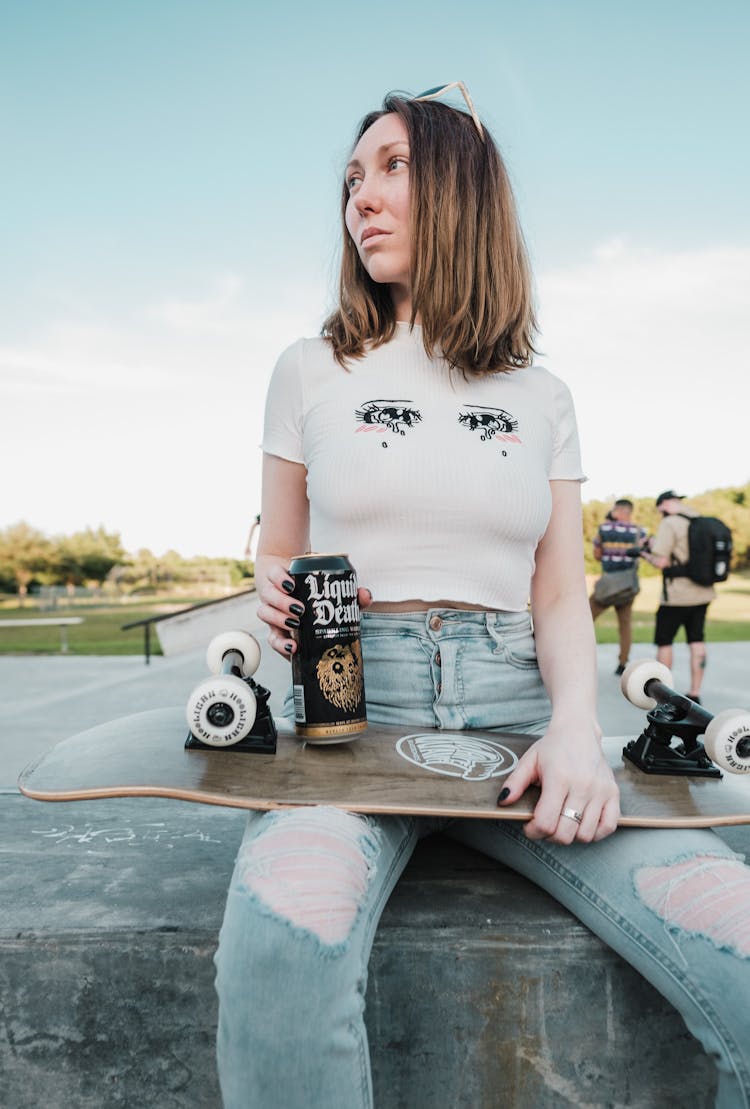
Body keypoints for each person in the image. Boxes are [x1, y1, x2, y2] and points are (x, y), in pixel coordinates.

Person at [214, 86, 750, 1108]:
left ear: (463, 189)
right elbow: (275, 555)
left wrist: (580, 729)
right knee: (281, 952)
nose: (359, 199)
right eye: (351, 179)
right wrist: (272, 596)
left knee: (736, 928)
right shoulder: (307, 368)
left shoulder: (542, 397)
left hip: (522, 711)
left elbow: (556, 588)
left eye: (390, 167)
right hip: (348, 716)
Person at [640, 489, 715, 703]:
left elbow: (662, 561)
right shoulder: (698, 518)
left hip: (676, 595)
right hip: (703, 592)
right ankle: (695, 692)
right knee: (697, 640)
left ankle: (665, 696)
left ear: (663, 504)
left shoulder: (670, 523)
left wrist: (645, 555)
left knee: (665, 642)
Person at [589, 498, 648, 675]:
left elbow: (597, 555)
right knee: (625, 625)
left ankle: (579, 657)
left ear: (618, 511)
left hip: (607, 585)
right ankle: (622, 663)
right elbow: (642, 554)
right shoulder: (640, 532)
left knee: (585, 619)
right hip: (627, 587)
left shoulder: (604, 528)